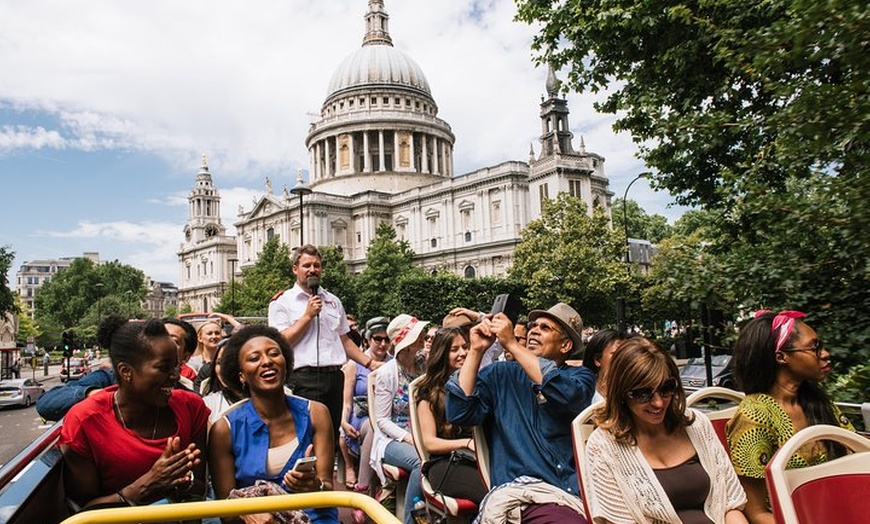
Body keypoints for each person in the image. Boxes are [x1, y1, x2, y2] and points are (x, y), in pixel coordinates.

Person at [446, 302, 595, 523]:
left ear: (565, 346)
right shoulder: (500, 374)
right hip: (524, 494)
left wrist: (513, 345)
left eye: (545, 328)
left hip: (573, 490)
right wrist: (476, 350)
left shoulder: (579, 376)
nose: (534, 329)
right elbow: (459, 412)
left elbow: (568, 395)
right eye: (533, 325)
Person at [586, 337, 747, 524]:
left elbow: (730, 505)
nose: (658, 402)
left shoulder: (697, 425)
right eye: (642, 393)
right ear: (621, 393)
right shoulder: (603, 446)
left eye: (666, 388)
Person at [60, 315, 208, 512]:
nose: (175, 376)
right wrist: (147, 485)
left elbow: (199, 489)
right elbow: (84, 512)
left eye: (177, 366)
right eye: (164, 368)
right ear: (126, 371)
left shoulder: (191, 406)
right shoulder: (85, 420)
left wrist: (181, 483)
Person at [726, 310, 854, 524]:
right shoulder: (754, 415)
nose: (825, 353)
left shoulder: (818, 403)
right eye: (815, 347)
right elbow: (756, 513)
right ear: (781, 357)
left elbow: (856, 453)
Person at [208, 324, 338, 523]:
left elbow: (327, 487)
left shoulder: (317, 413)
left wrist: (315, 486)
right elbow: (226, 511)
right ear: (241, 374)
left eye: (274, 354)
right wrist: (247, 512)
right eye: (254, 358)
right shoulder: (224, 429)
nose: (267, 361)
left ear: (286, 363)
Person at [268, 244, 381, 439]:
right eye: (307, 265)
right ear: (295, 269)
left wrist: (370, 363)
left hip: (334, 378)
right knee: (306, 438)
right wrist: (307, 316)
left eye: (317, 265)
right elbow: (280, 342)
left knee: (331, 440)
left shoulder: (333, 301)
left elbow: (344, 340)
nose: (312, 270)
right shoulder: (282, 302)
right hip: (303, 379)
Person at [36, 318, 199, 421]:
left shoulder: (189, 403)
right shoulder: (106, 379)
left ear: (186, 356)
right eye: (159, 336)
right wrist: (96, 396)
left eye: (174, 340)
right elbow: (46, 403)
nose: (164, 343)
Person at [415, 326, 488, 505]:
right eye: (454, 350)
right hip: (447, 463)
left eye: (465, 347)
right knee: (492, 495)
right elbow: (430, 443)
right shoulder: (429, 393)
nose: (463, 353)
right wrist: (467, 443)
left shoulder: (480, 385)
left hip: (480, 458)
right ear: (441, 354)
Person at [371, 314, 429, 524]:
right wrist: (409, 438)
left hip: (424, 431)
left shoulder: (424, 363)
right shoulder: (388, 373)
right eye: (417, 334)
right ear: (406, 344)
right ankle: (411, 519)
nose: (423, 336)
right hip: (393, 439)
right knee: (420, 461)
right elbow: (382, 421)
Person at [339, 316, 392, 492]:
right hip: (361, 417)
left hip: (390, 417)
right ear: (368, 340)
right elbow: (347, 402)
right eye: (377, 339)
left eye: (386, 339)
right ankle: (363, 486)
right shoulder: (355, 364)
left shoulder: (393, 364)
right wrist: (344, 422)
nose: (382, 344)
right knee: (373, 426)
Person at [582, 329, 631, 404]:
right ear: (597, 360)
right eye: (617, 355)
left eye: (627, 354)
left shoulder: (634, 396)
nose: (623, 359)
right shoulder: (582, 397)